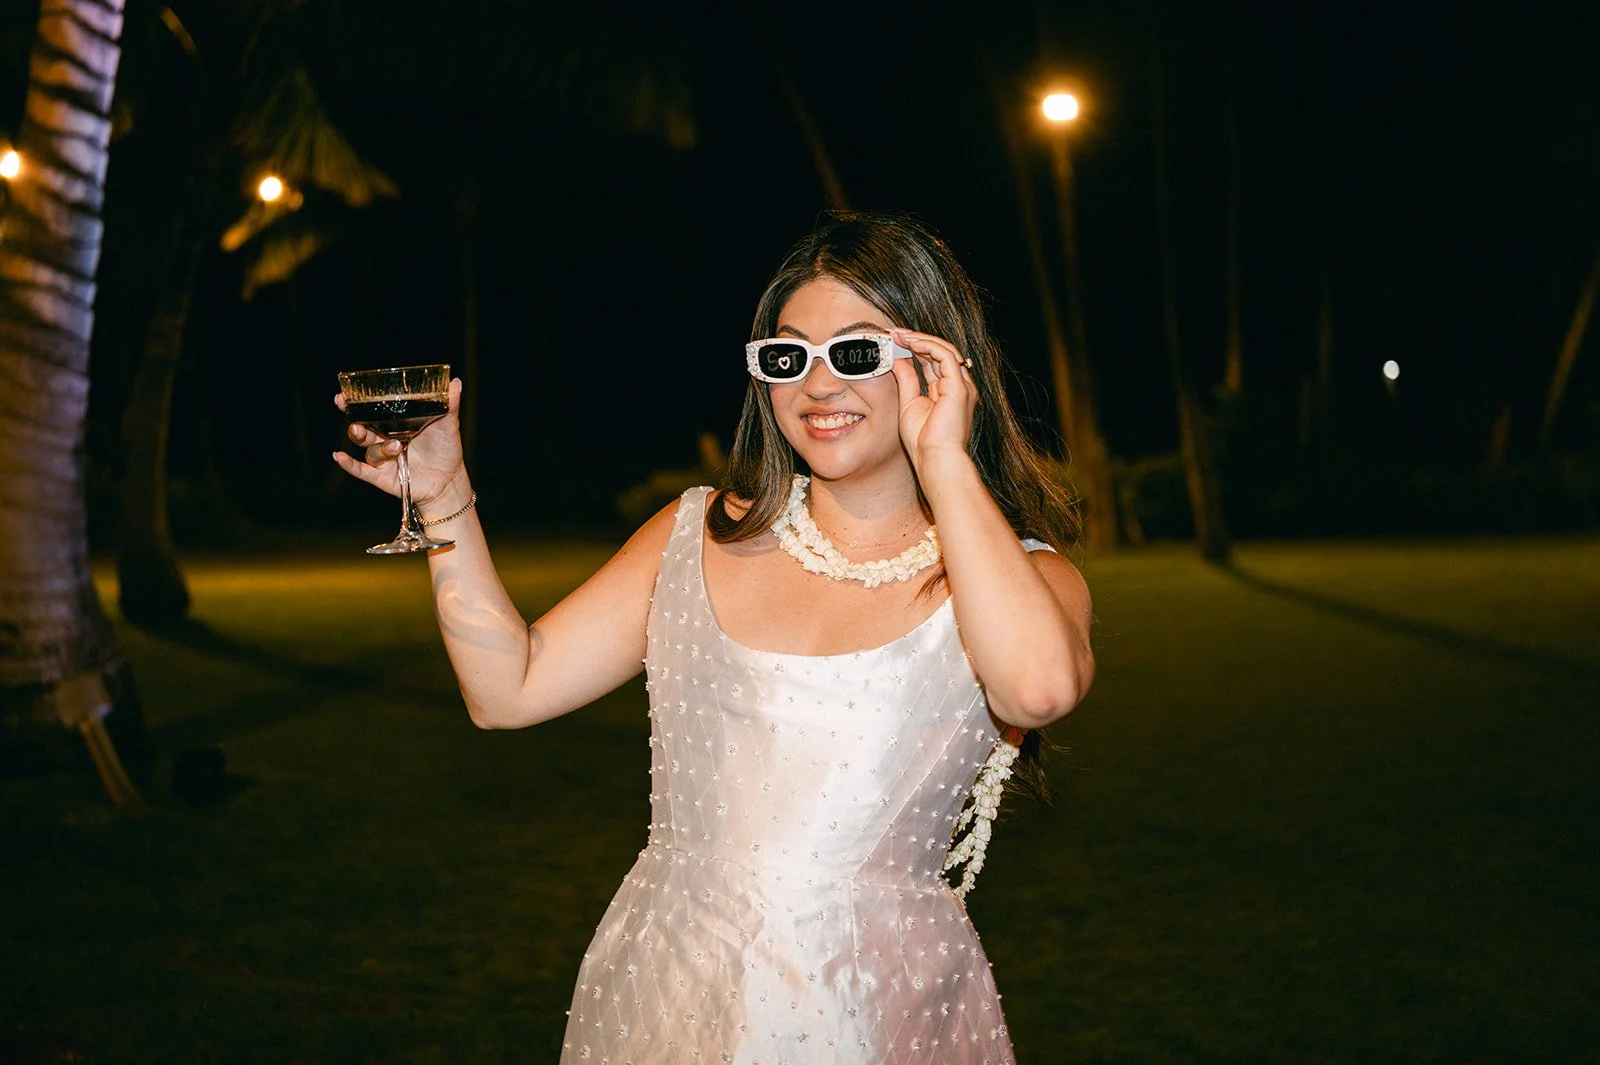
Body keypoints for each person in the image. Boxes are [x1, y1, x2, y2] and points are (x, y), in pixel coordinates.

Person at [334, 210, 1095, 1063]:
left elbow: (1037, 690)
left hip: (875, 1004)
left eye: (854, 353)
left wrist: (945, 459)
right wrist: (442, 498)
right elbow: (506, 688)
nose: (817, 387)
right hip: (668, 979)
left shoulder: (1023, 580)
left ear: (936, 366)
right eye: (786, 357)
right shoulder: (693, 535)